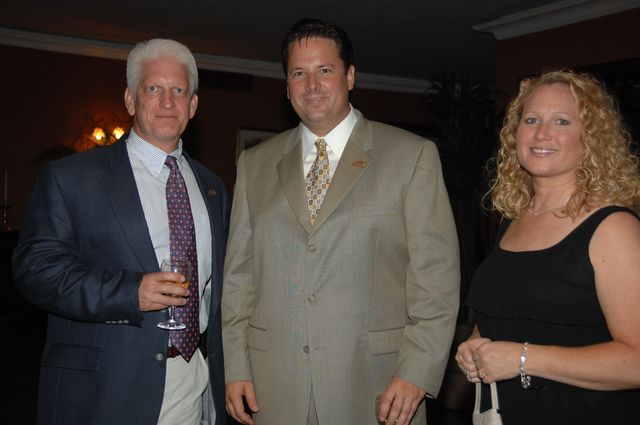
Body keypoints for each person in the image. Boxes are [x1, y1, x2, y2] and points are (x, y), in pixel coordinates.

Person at [222, 18, 460, 425]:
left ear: (349, 76)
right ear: (287, 86)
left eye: (325, 70)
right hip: (273, 388)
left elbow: (436, 281)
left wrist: (416, 372)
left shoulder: (412, 156)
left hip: (376, 387)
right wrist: (236, 366)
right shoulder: (254, 164)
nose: (311, 85)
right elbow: (239, 279)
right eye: (299, 73)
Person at [12, 39, 228, 425]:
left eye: (178, 90)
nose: (167, 102)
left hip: (193, 384)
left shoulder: (212, 187)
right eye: (153, 88)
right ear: (130, 100)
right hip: (104, 392)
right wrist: (129, 292)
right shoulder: (71, 178)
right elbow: (35, 269)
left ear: (193, 105)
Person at [455, 70, 640, 424]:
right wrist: (477, 345)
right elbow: (515, 315)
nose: (542, 133)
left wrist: (523, 359)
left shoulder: (613, 228)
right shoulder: (513, 221)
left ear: (591, 138)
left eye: (561, 121)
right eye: (531, 120)